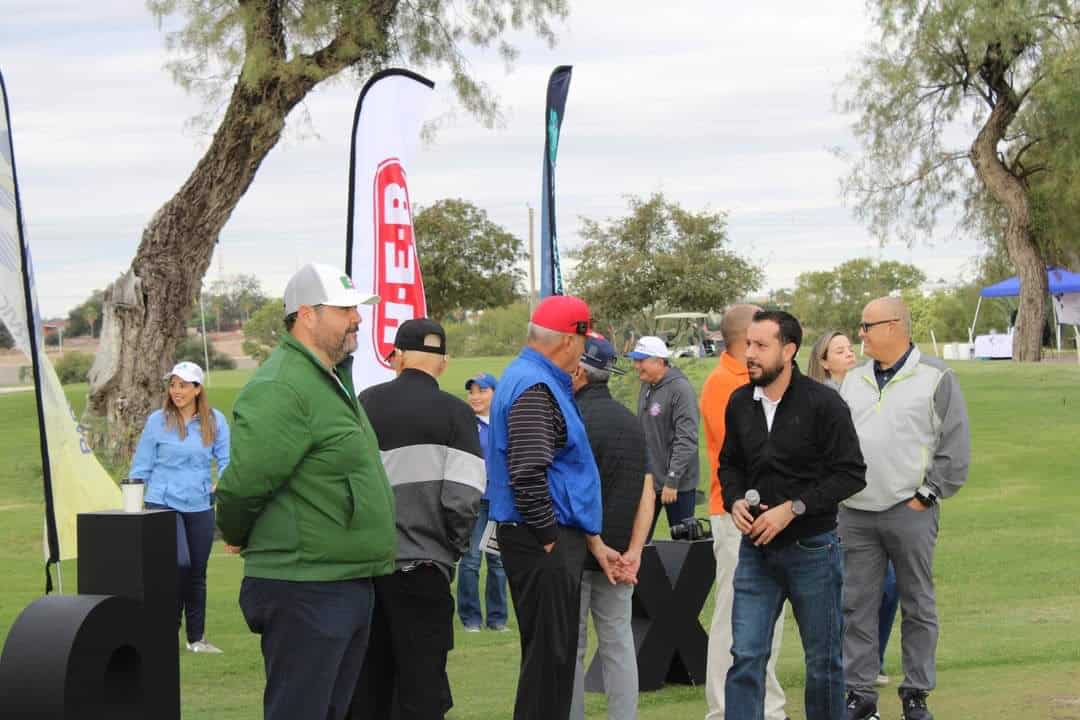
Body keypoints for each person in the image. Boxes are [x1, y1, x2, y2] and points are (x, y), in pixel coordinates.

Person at [216, 263, 395, 720]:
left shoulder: (330, 379)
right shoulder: (282, 386)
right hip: (305, 587)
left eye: (357, 309)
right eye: (345, 310)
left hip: (343, 579)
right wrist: (234, 531)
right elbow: (244, 483)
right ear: (306, 315)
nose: (357, 319)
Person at [721, 310, 866, 720]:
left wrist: (793, 508)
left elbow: (851, 474)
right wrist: (734, 500)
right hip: (755, 553)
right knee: (746, 656)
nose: (750, 353)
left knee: (823, 663)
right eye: (748, 344)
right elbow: (729, 464)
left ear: (789, 350)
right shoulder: (739, 403)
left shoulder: (824, 404)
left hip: (813, 550)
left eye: (760, 346)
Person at [486, 294, 621, 720]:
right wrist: (548, 538)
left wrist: (590, 541)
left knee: (554, 661)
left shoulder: (534, 377)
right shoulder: (535, 385)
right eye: (583, 342)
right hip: (540, 538)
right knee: (550, 662)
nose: (583, 352)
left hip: (548, 535)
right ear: (568, 340)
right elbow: (527, 472)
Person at [840, 297, 970, 720]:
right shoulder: (853, 379)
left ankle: (916, 693)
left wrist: (927, 495)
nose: (860, 333)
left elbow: (955, 447)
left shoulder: (936, 376)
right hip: (855, 513)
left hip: (909, 509)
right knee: (856, 605)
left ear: (894, 326)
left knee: (917, 603)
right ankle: (860, 695)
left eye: (866, 325)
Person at [351, 318, 485, 719]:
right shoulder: (457, 414)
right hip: (425, 567)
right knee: (423, 687)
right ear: (443, 363)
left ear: (397, 358)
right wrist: (451, 548)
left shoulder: (364, 405)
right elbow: (463, 499)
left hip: (368, 570)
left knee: (369, 687)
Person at [699, 305, 789, 720]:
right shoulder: (723, 384)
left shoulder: (763, 381)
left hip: (773, 515)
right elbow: (747, 452)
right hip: (736, 513)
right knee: (735, 614)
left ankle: (766, 706)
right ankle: (724, 708)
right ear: (744, 338)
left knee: (770, 614)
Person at [569, 333, 654, 720]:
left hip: (580, 551)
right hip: (620, 554)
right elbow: (646, 491)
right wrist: (634, 552)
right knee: (618, 643)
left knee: (573, 646)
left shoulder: (572, 420)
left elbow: (572, 495)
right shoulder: (631, 423)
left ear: (578, 372)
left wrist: (597, 545)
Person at [808, 330, 898, 688]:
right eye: (839, 350)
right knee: (856, 589)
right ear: (824, 361)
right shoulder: (824, 399)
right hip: (841, 508)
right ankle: (850, 665)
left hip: (877, 501)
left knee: (887, 587)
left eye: (850, 348)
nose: (849, 354)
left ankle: (867, 661)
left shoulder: (865, 390)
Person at [130, 360, 229, 654]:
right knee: (179, 564)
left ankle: (196, 639)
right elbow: (142, 466)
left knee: (197, 572)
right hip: (161, 503)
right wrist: (133, 504)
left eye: (183, 385)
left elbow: (226, 461)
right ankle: (166, 630)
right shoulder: (156, 421)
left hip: (199, 504)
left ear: (198, 389)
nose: (176, 391)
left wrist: (220, 483)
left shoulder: (215, 420)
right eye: (173, 385)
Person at [626, 335, 700, 539]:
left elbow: (687, 439)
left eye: (641, 361)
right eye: (635, 360)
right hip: (650, 481)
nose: (636, 365)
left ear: (659, 362)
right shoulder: (647, 385)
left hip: (677, 485)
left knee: (683, 546)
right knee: (639, 541)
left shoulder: (680, 389)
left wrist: (672, 480)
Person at [457, 371, 509, 632]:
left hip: (499, 502)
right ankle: (471, 619)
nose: (475, 396)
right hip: (474, 502)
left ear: (495, 394)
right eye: (472, 391)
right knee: (471, 561)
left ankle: (498, 619)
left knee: (498, 562)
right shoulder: (464, 423)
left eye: (482, 390)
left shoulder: (506, 423)